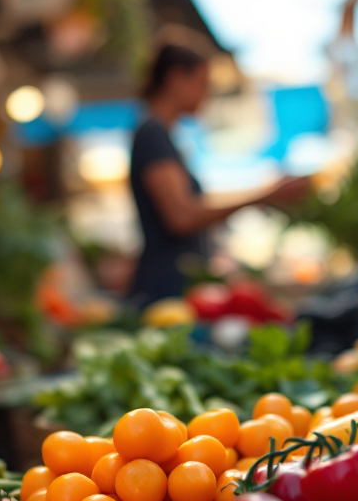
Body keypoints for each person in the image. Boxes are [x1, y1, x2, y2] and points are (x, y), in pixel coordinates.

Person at [129, 43, 310, 306]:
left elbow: (192, 207)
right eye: (203, 83)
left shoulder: (162, 135)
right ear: (176, 78)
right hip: (165, 292)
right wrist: (263, 196)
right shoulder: (153, 135)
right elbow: (182, 217)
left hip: (174, 289)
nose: (207, 94)